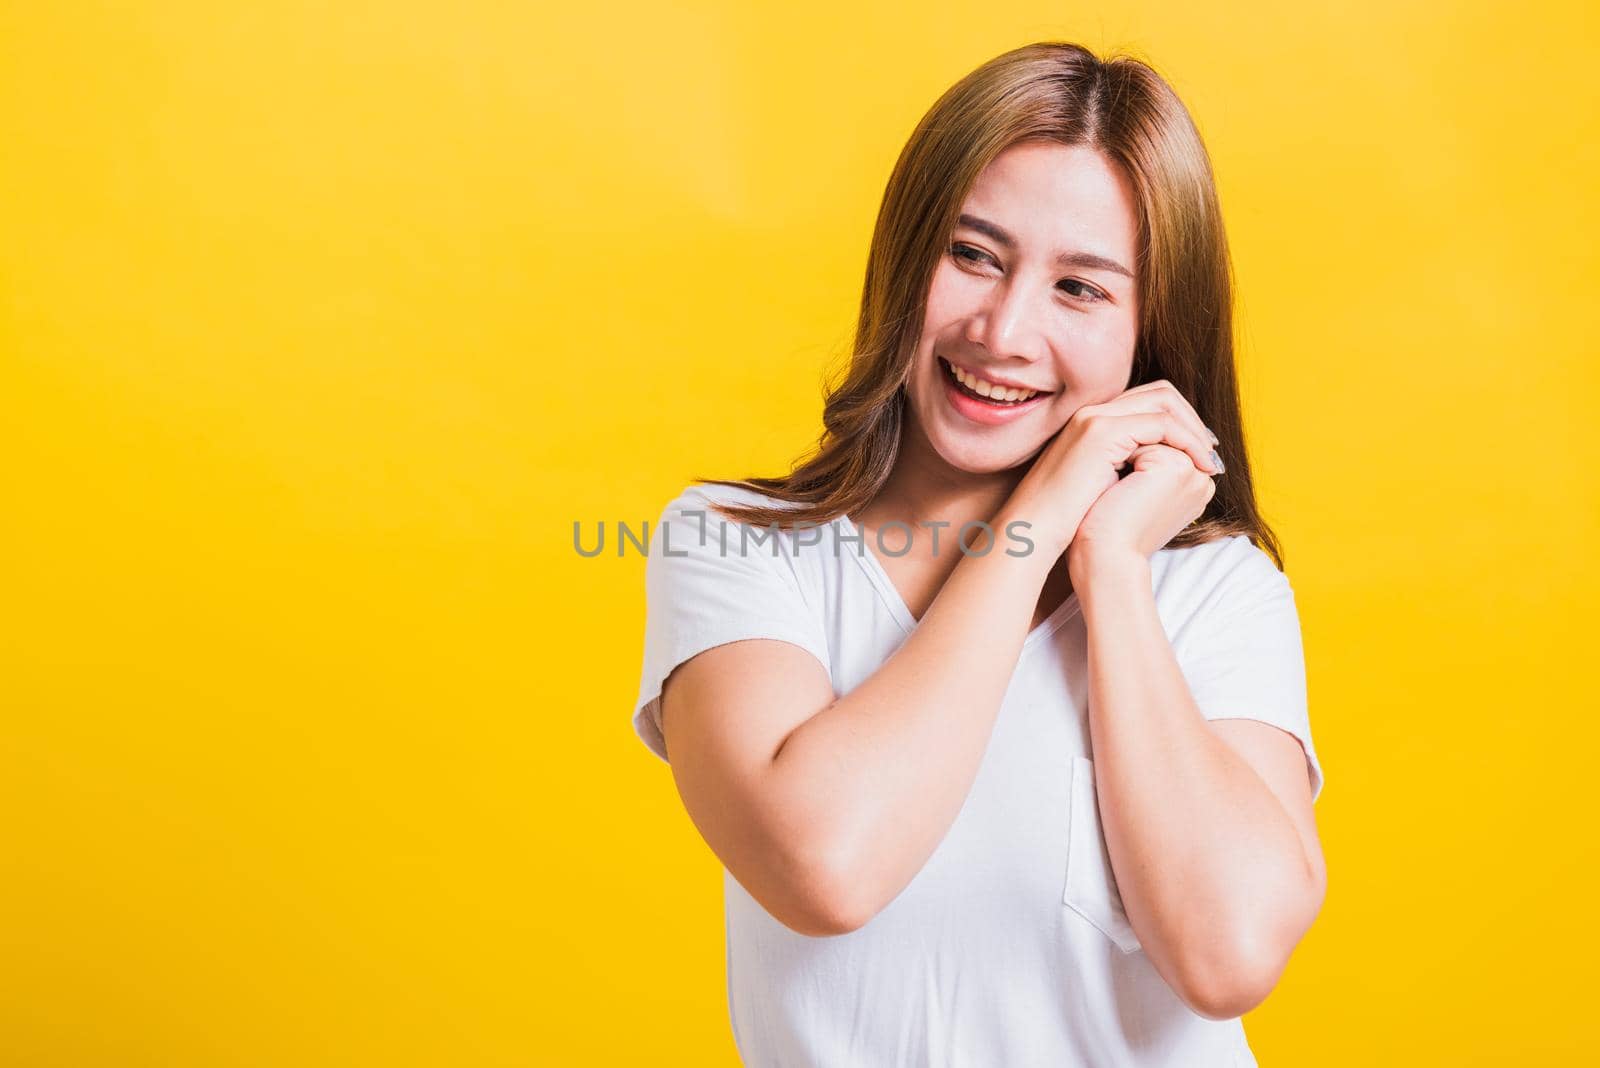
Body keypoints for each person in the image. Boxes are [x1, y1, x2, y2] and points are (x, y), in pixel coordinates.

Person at [630, 41, 1327, 1067]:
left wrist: (1115, 574)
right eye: (972, 255)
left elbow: (1225, 958)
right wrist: (1036, 522)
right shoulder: (734, 545)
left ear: (1149, 334)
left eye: (1080, 289)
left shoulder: (1213, 591)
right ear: (907, 259)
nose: (1003, 331)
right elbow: (826, 867)